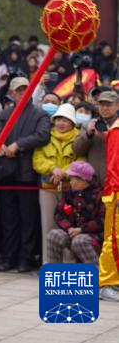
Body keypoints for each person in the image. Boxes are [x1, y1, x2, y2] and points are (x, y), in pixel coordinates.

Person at [0, 76, 50, 272]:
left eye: (25, 89)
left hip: (27, 174)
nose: (22, 93)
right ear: (11, 93)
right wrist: (1, 144)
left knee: (28, 219)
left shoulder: (40, 114)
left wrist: (18, 145)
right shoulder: (4, 114)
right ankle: (9, 257)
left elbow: (42, 135)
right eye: (18, 90)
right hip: (6, 173)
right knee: (8, 220)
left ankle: (25, 259)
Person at [33, 102, 79, 266]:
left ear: (72, 122)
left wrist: (64, 172)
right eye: (58, 119)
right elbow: (37, 160)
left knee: (69, 227)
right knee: (48, 226)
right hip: (48, 188)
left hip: (70, 189)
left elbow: (81, 162)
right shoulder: (46, 137)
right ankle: (48, 264)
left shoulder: (79, 138)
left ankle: (68, 264)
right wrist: (53, 169)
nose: (61, 123)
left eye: (65, 120)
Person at [44, 161, 104, 266]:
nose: (70, 182)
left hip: (93, 234)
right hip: (72, 231)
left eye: (72, 179)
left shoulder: (99, 195)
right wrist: (69, 228)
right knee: (54, 235)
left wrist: (82, 229)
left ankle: (96, 273)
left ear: (83, 181)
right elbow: (58, 214)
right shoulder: (69, 193)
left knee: (79, 241)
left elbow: (102, 220)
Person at [100, 95, 119, 302]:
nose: (104, 108)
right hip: (116, 193)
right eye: (102, 104)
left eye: (109, 104)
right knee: (113, 239)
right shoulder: (116, 130)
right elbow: (114, 166)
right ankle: (106, 283)